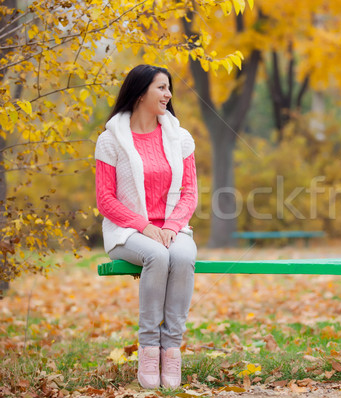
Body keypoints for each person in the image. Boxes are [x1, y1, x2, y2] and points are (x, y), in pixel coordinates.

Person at [95, 64, 198, 389]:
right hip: (127, 232)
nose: (168, 95)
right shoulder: (110, 140)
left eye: (169, 89)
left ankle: (171, 349)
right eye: (162, 88)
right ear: (140, 93)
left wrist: (171, 225)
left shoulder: (180, 138)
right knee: (158, 256)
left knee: (180, 256)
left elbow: (190, 193)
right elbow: (105, 199)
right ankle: (149, 349)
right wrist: (143, 225)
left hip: (172, 229)